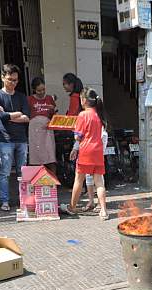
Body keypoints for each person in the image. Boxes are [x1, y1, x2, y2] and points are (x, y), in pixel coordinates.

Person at [61, 87, 108, 220]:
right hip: (98, 151)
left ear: (84, 100)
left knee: (79, 179)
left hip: (86, 151)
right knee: (99, 182)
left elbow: (78, 137)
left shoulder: (82, 115)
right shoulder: (98, 115)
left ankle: (72, 207)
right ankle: (103, 210)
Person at [0, 64, 30, 211]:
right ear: (2, 78)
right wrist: (17, 114)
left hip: (21, 139)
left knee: (23, 172)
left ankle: (23, 201)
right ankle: (5, 201)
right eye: (10, 79)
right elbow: (0, 115)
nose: (13, 83)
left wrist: (9, 116)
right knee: (5, 173)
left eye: (15, 80)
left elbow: (27, 118)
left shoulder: (21, 96)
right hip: (5, 140)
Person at [27, 77, 57, 173]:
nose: (42, 92)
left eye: (43, 89)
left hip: (47, 130)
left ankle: (53, 183)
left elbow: (54, 115)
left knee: (50, 155)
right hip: (34, 130)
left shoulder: (49, 98)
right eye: (39, 90)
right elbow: (26, 114)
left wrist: (52, 109)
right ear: (34, 90)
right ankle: (37, 184)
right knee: (36, 156)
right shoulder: (29, 99)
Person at [81, 126, 108, 212]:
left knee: (99, 180)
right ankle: (91, 201)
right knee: (89, 178)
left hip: (96, 155)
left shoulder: (100, 130)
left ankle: (100, 204)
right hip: (89, 154)